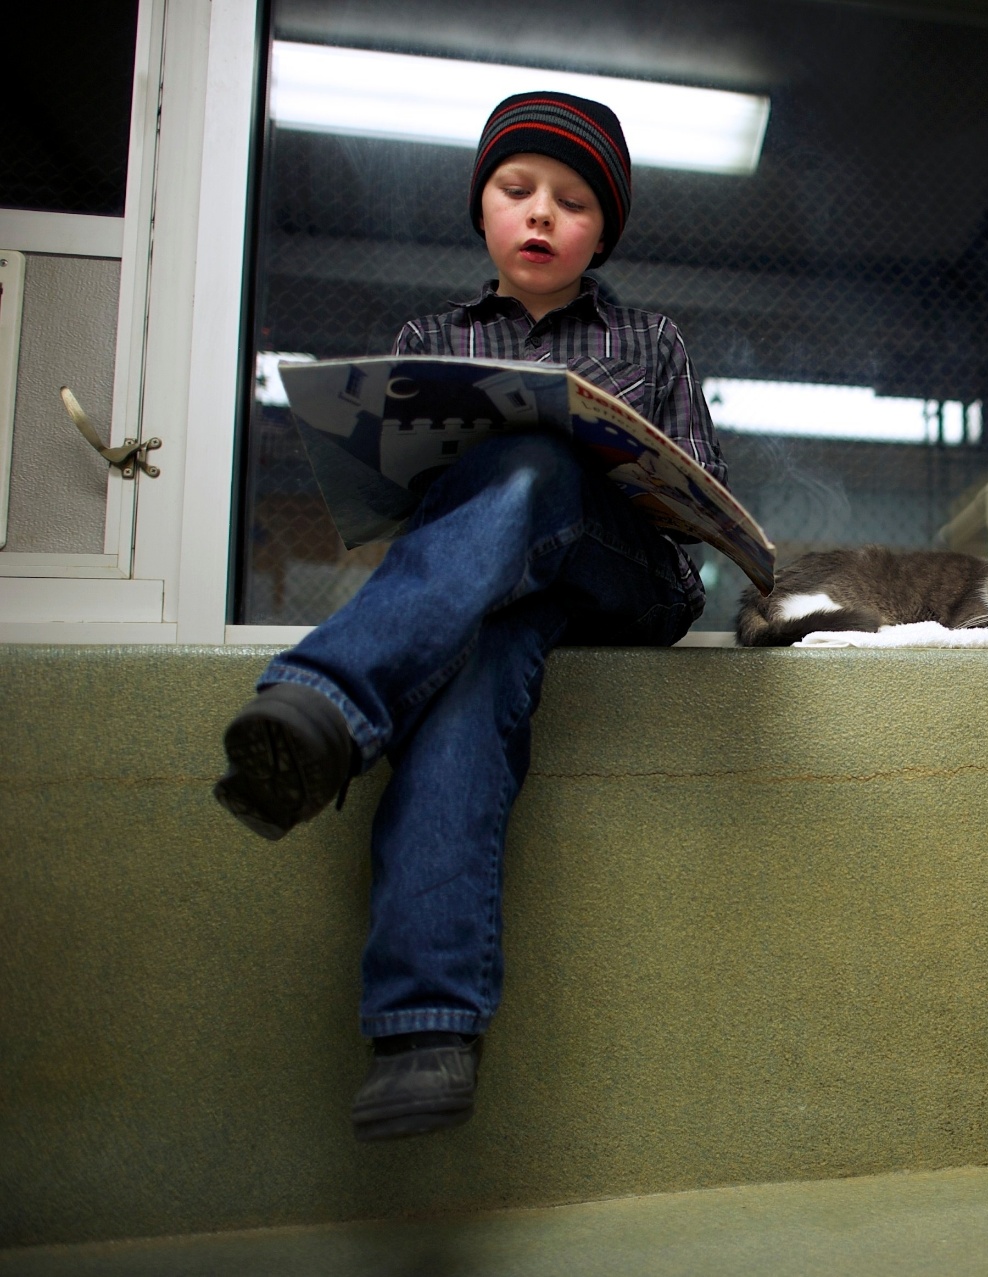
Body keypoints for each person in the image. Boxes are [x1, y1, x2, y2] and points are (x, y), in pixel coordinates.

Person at [213, 92, 726, 1142]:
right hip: (492, 591)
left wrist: (599, 475)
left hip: (626, 578)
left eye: (573, 201)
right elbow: (401, 508)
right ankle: (423, 1029)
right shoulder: (429, 336)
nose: (542, 213)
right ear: (483, 207)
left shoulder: (651, 337)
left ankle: (327, 701)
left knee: (537, 460)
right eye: (516, 189)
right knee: (473, 661)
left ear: (604, 227)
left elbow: (702, 494)